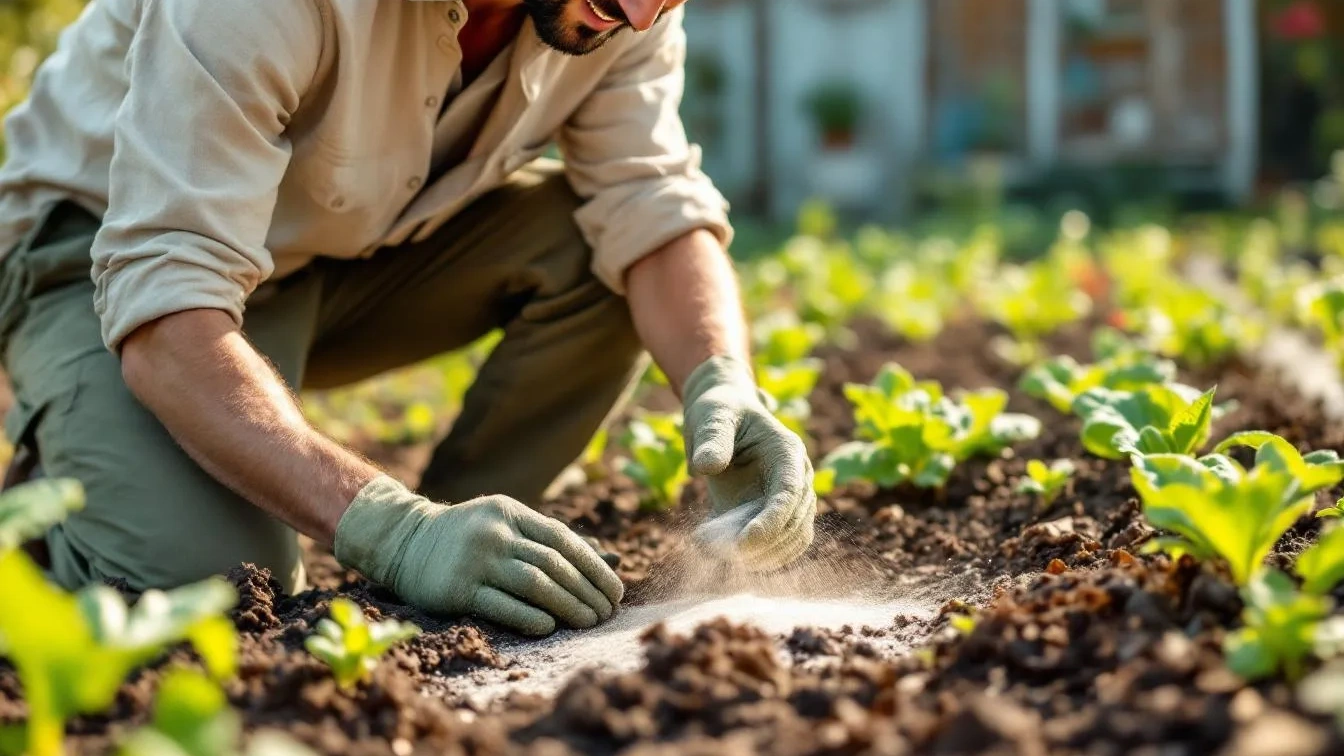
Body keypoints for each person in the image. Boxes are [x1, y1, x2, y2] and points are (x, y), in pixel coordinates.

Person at [0, 0, 816, 636]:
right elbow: (167, 299)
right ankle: (48, 508)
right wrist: (389, 529)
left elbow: (645, 196)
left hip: (334, 255)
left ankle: (481, 553)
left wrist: (725, 381)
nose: (642, 16)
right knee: (204, 594)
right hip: (98, 260)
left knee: (604, 251)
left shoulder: (619, 10)